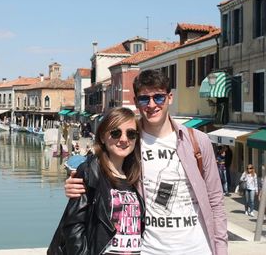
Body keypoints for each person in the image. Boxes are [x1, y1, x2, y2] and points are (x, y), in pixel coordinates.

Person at [65, 69, 227, 255]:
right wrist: (76, 185)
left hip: (198, 249)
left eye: (159, 97)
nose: (152, 105)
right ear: (136, 102)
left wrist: (221, 249)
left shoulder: (198, 141)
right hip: (150, 250)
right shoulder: (130, 140)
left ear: (170, 98)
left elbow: (216, 201)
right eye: (144, 99)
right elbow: (100, 169)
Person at [48, 107, 145, 254]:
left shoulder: (136, 177)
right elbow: (74, 226)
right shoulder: (90, 171)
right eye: (115, 133)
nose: (124, 139)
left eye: (131, 134)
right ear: (103, 137)